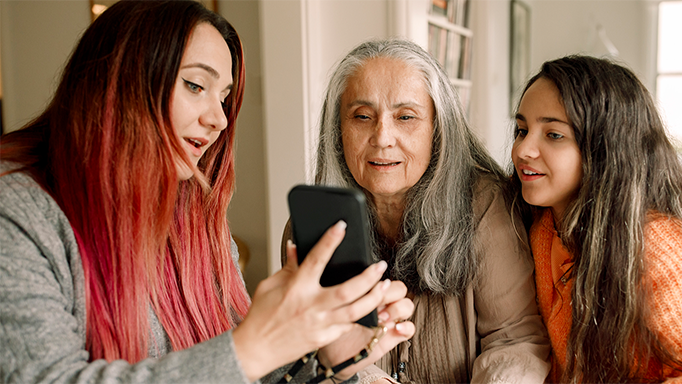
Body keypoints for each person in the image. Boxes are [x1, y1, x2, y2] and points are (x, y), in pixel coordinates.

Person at [0, 2, 415, 383]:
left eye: (225, 97)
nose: (219, 119)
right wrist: (255, 346)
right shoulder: (17, 212)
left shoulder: (199, 223)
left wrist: (327, 363)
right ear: (121, 80)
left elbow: (233, 371)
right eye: (196, 85)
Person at [283, 38, 550, 384]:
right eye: (362, 117)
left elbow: (516, 339)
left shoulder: (486, 204)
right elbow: (312, 348)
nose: (382, 137)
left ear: (438, 129)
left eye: (405, 116)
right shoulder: (310, 229)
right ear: (338, 131)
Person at [508, 54, 682, 383]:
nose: (523, 150)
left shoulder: (658, 247)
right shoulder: (542, 225)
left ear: (606, 148)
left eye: (554, 135)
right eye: (522, 129)